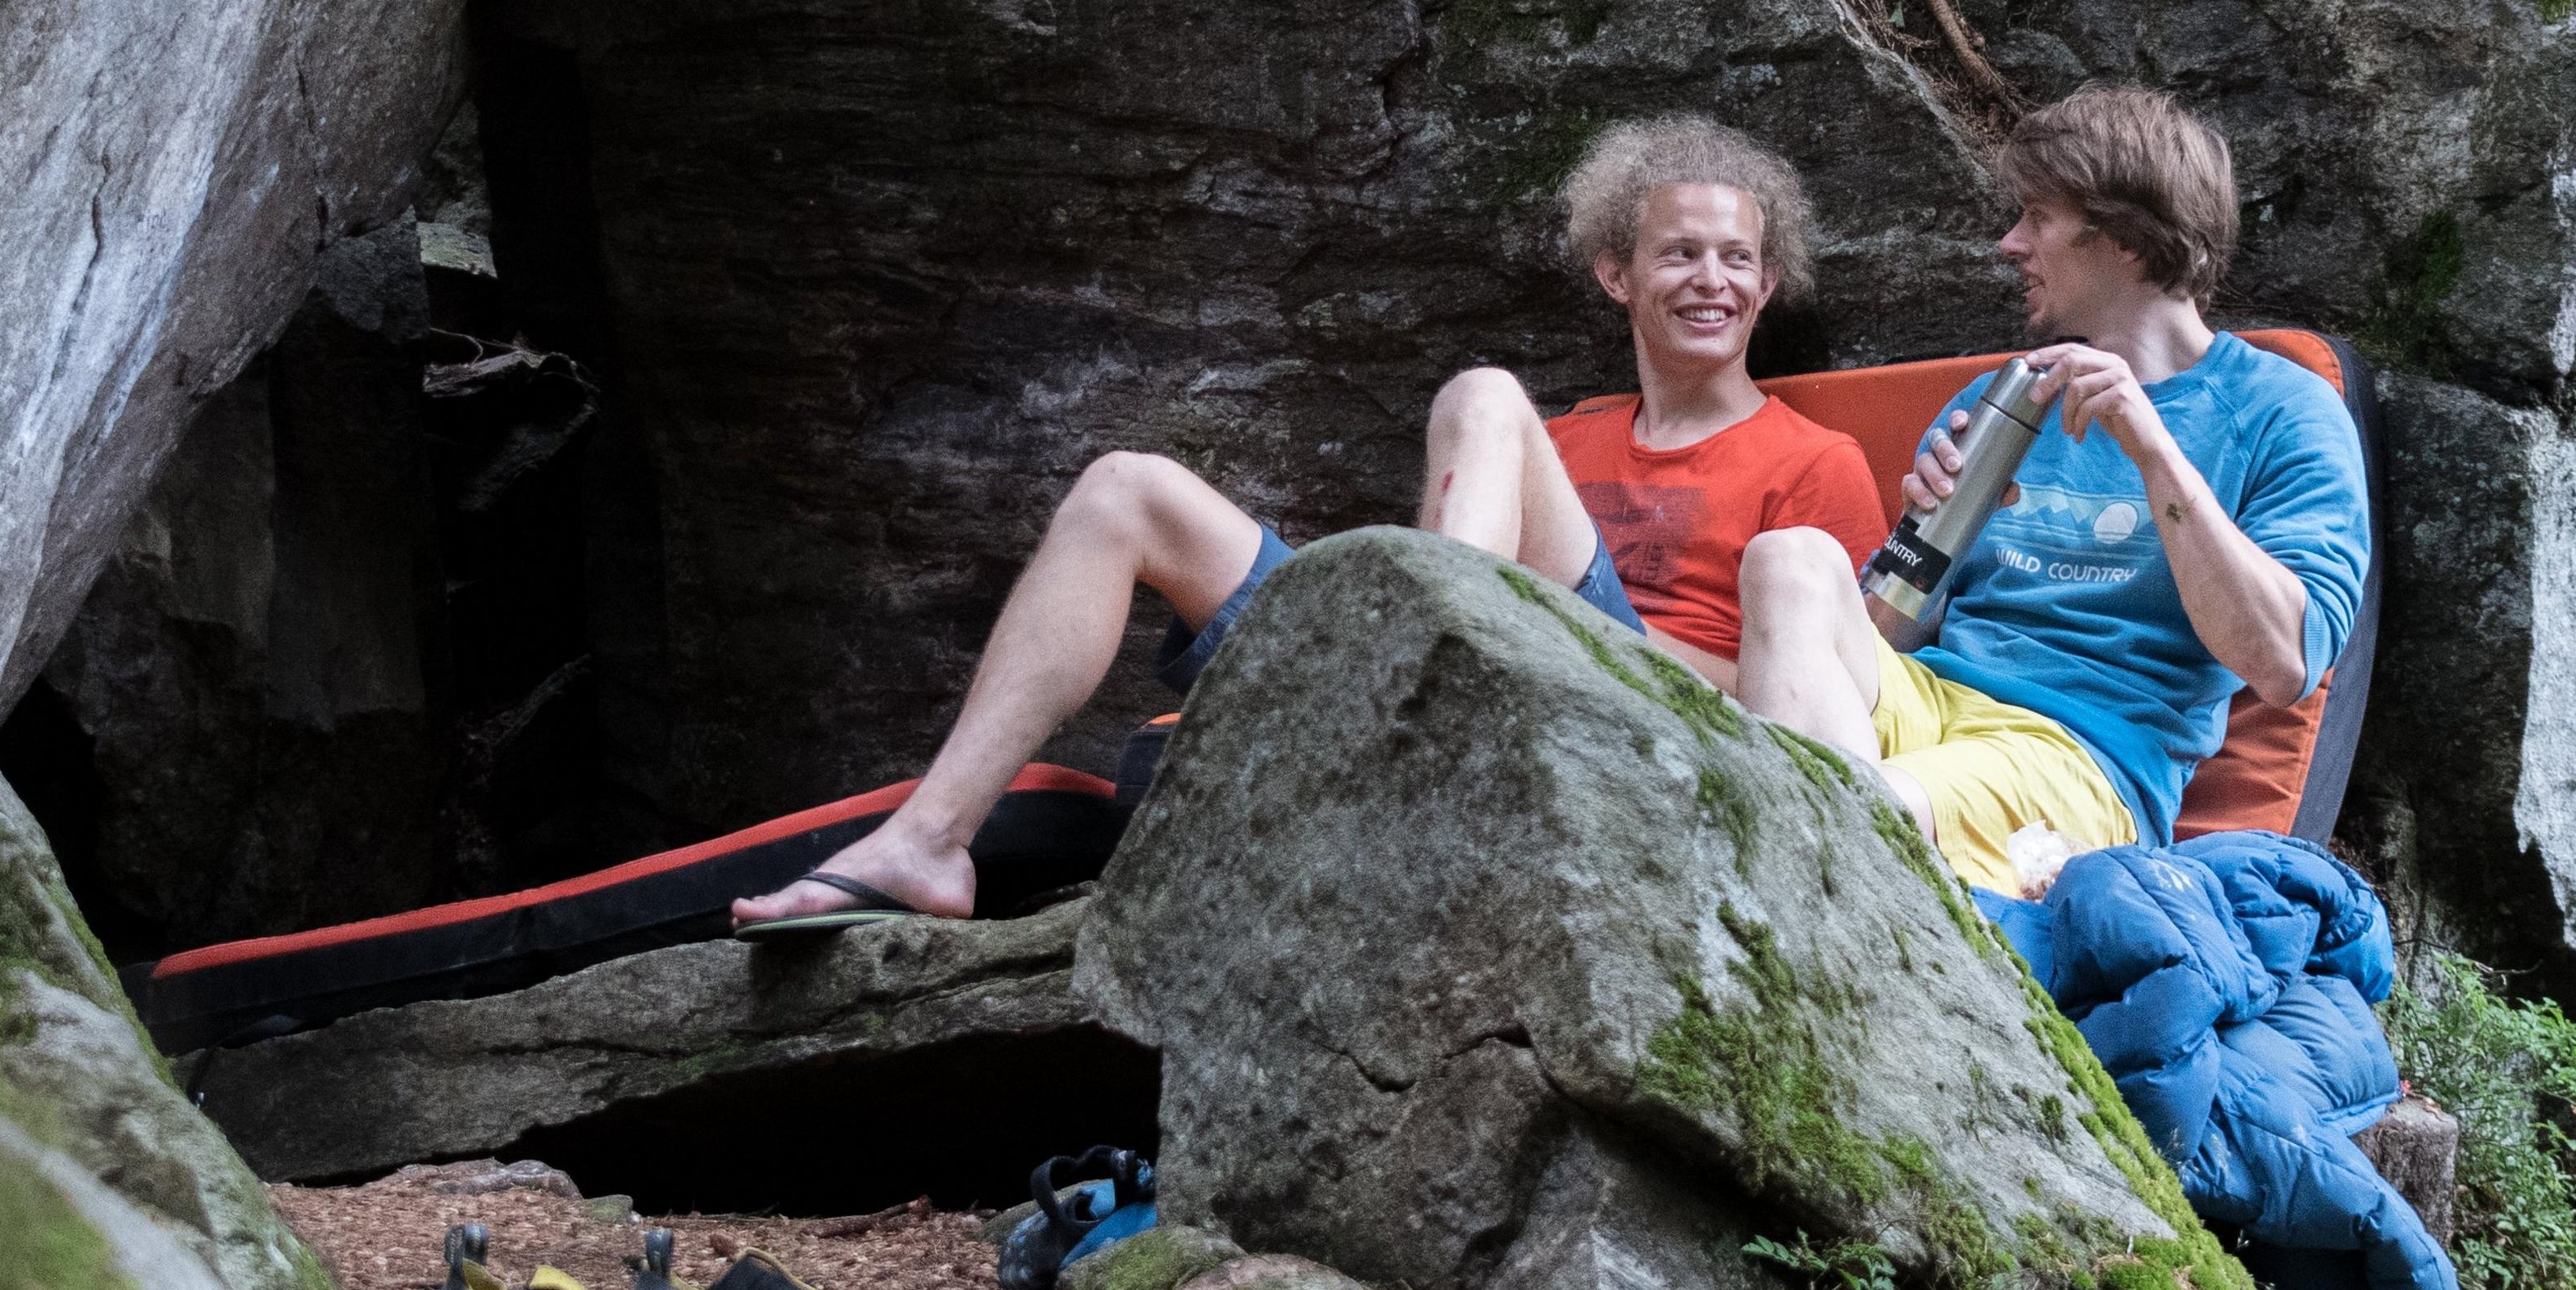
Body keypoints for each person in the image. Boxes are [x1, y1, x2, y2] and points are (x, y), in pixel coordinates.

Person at [732, 116, 1884, 925]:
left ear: (1769, 287)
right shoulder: (1563, 443)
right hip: (1466, 669)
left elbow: (1828, 703)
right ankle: (930, 842)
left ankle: (1424, 695)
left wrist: (1558, 621)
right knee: (1125, 487)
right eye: (1679, 252)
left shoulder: (1812, 460)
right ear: (1614, 274)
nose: (1712, 279)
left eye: (1739, 258)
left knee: (1482, 394)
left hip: (1631, 718)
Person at [1731, 82, 2368, 895]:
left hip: (2079, 761)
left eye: (2037, 217)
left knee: (1850, 798)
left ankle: (1846, 851)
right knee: (1786, 560)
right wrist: (1921, 536)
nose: (2008, 243)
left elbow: (2283, 665)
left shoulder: (2283, 410)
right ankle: (1854, 857)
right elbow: (1884, 632)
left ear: (2128, 237)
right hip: (1930, 702)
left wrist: (2152, 450)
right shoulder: (2005, 398)